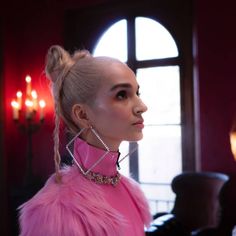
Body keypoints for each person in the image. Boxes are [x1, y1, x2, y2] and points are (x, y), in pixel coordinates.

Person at [18, 45, 152, 236]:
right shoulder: (57, 211)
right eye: (122, 95)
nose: (142, 106)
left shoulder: (131, 193)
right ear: (82, 114)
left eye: (137, 93)